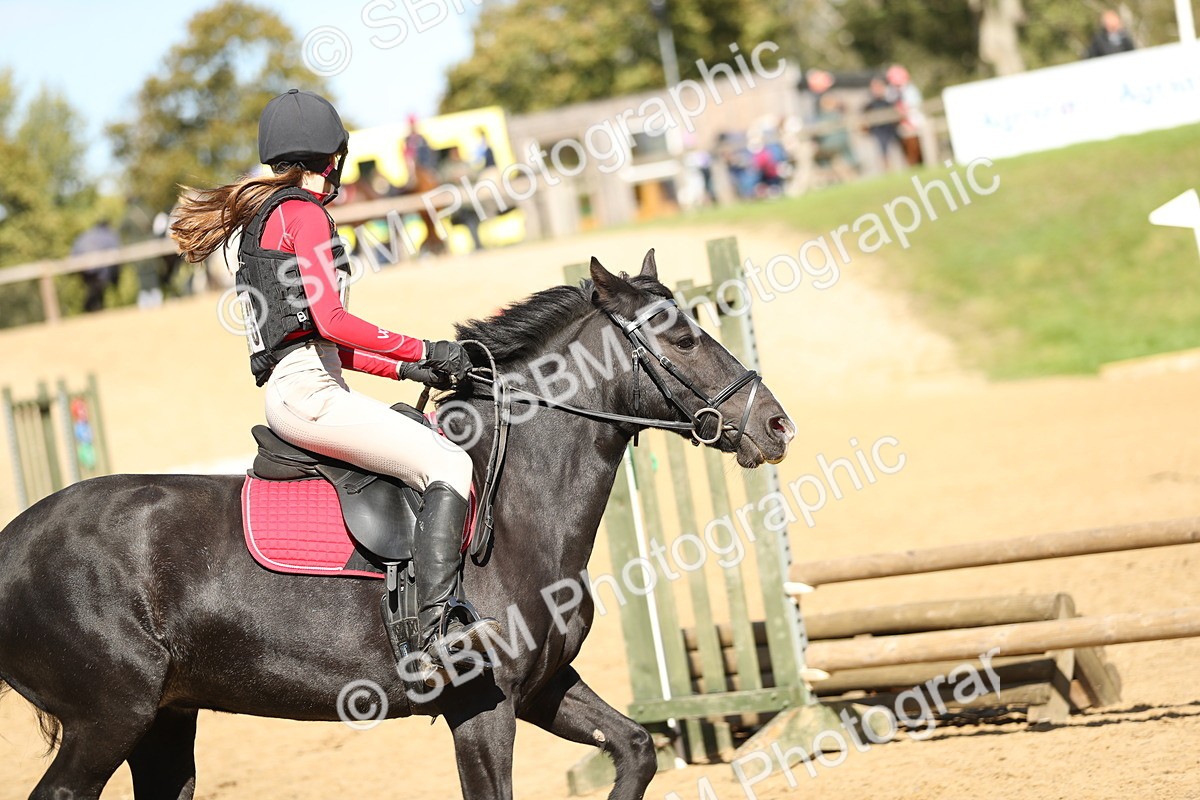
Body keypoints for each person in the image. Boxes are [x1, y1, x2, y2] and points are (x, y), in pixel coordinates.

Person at [170, 89, 498, 684]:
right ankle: (436, 629)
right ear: (335, 157)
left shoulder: (264, 218)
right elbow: (334, 322)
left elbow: (323, 341)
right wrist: (427, 348)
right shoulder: (304, 213)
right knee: (449, 464)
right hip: (310, 395)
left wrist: (409, 370)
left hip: (305, 383)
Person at [72, 221, 120, 313]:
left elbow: (74, 252)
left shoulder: (85, 234)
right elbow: (116, 253)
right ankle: (94, 308)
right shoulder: (108, 235)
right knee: (98, 289)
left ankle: (93, 309)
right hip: (98, 270)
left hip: (82, 268)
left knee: (93, 289)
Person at [863, 76, 901, 171]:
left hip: (890, 130)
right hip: (878, 132)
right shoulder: (869, 105)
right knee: (882, 149)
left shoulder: (888, 102)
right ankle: (886, 168)